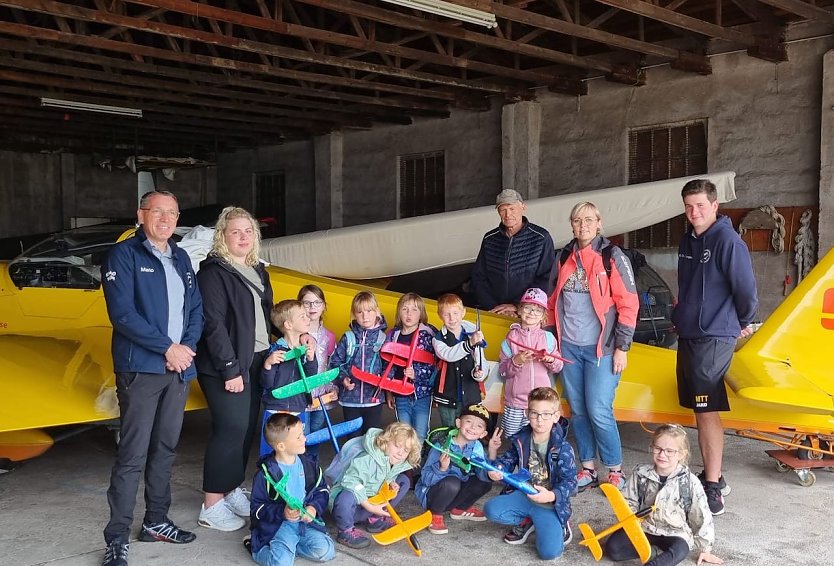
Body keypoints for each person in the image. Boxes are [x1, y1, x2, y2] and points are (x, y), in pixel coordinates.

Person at [100, 190, 203, 566]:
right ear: (140, 214)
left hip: (178, 369)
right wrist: (167, 348)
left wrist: (186, 348)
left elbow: (196, 310)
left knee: (165, 450)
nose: (165, 219)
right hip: (142, 369)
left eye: (172, 213)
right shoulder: (123, 255)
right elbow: (123, 315)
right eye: (157, 211)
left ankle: (156, 521)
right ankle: (116, 537)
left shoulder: (181, 257)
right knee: (132, 454)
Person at [673, 179, 758, 515]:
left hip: (715, 335)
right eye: (689, 206)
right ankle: (714, 476)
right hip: (690, 333)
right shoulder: (687, 239)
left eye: (700, 206)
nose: (694, 212)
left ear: (715, 205)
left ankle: (713, 486)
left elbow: (747, 291)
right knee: (698, 407)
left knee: (707, 409)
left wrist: (741, 322)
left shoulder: (728, 241)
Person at [546, 201, 638, 492]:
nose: (583, 225)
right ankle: (587, 468)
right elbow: (551, 303)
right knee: (578, 410)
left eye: (589, 220)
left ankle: (614, 470)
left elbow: (628, 304)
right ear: (571, 225)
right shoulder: (563, 256)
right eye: (577, 220)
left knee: (598, 409)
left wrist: (622, 347)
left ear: (599, 223)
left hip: (603, 348)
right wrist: (551, 342)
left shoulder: (612, 256)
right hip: (569, 347)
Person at [196, 206, 273, 532]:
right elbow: (213, 325)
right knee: (229, 429)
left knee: (244, 430)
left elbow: (266, 316)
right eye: (235, 231)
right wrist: (230, 370)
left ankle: (230, 487)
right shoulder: (213, 273)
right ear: (223, 236)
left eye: (248, 231)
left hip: (256, 360)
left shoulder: (258, 270)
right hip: (226, 364)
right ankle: (211, 504)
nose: (243, 237)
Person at [603, 424, 723, 566]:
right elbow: (628, 500)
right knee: (613, 548)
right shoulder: (640, 473)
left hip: (675, 533)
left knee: (681, 549)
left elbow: (701, 514)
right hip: (645, 528)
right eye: (658, 449)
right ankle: (654, 551)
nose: (662, 455)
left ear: (681, 454)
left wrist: (705, 548)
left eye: (669, 451)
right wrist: (631, 520)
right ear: (652, 447)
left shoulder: (690, 481)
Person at [483, 387, 576, 560]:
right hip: (524, 494)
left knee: (549, 553)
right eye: (534, 413)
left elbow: (571, 482)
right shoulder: (520, 439)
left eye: (546, 414)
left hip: (550, 504)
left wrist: (552, 495)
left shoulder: (563, 448)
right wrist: (496, 467)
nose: (540, 420)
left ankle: (560, 524)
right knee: (490, 510)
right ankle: (526, 521)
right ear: (527, 413)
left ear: (556, 416)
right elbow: (506, 463)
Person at [249, 413, 336, 566]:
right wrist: (282, 512)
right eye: (298, 437)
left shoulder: (309, 464)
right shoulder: (266, 474)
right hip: (279, 525)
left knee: (327, 551)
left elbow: (322, 490)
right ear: (281, 446)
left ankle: (290, 548)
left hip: (304, 523)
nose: (304, 439)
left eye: (302, 433)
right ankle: (256, 548)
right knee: (281, 563)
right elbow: (257, 509)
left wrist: (313, 507)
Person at [328, 422, 421, 549]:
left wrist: (391, 482)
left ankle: (375, 520)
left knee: (404, 481)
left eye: (406, 450)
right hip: (351, 510)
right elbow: (351, 481)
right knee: (346, 495)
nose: (400, 453)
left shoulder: (395, 459)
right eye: (397, 446)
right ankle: (346, 531)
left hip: (372, 505)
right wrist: (370, 507)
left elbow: (387, 474)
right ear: (385, 441)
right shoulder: (368, 459)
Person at [471, 188, 556, 316]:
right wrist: (494, 307)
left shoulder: (541, 238)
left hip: (528, 313)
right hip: (494, 311)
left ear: (523, 207)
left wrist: (517, 305)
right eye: (502, 210)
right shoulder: (489, 239)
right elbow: (479, 276)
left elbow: (547, 278)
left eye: (512, 209)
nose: (507, 214)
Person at [416, 404, 493, 535]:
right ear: (458, 423)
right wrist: (441, 469)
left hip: (454, 493)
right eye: (468, 421)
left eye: (479, 426)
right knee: (452, 483)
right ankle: (435, 514)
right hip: (433, 494)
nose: (473, 427)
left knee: (485, 481)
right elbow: (425, 478)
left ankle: (459, 509)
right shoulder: (442, 445)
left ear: (483, 434)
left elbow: (481, 471)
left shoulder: (476, 447)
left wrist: (492, 454)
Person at [498, 288, 563, 438]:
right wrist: (516, 361)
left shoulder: (548, 338)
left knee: (539, 438)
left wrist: (551, 360)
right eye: (528, 307)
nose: (532, 312)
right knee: (514, 439)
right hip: (515, 403)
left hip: (541, 404)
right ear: (519, 310)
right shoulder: (510, 338)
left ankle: (536, 462)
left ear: (543, 316)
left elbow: (559, 366)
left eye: (538, 310)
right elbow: (502, 371)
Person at [259, 300, 317, 456]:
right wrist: (268, 365)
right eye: (302, 316)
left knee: (297, 450)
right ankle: (269, 478)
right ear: (288, 325)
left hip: (298, 409)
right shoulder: (274, 350)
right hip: (275, 409)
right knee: (270, 451)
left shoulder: (306, 349)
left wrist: (311, 360)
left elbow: (310, 380)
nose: (308, 318)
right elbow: (266, 383)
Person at [329, 291, 388, 436]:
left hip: (374, 399)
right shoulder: (348, 337)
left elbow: (389, 367)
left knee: (371, 438)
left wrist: (384, 381)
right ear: (354, 314)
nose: (365, 316)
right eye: (360, 312)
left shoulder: (383, 339)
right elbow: (335, 361)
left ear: (377, 312)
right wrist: (343, 379)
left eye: (369, 311)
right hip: (350, 400)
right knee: (352, 440)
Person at [385, 293, 436, 442]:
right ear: (399, 312)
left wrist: (417, 374)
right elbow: (388, 366)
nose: (409, 314)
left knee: (420, 433)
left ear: (421, 314)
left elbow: (435, 365)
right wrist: (388, 391)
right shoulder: (393, 335)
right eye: (405, 309)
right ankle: (404, 464)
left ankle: (416, 463)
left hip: (422, 394)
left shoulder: (428, 335)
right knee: (402, 433)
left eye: (414, 310)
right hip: (400, 393)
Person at [432, 293, 487, 428]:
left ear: (463, 312)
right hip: (447, 396)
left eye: (456, 313)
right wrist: (469, 344)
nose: (452, 318)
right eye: (447, 314)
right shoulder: (438, 339)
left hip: (471, 395)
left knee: (470, 430)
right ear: (440, 315)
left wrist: (479, 373)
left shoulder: (474, 333)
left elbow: (480, 359)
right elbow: (449, 355)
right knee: (449, 429)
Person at [298, 284, 337, 464]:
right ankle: (299, 474)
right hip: (301, 395)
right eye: (307, 303)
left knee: (316, 438)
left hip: (322, 395)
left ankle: (312, 473)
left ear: (323, 306)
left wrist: (333, 388)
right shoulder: (295, 334)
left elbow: (332, 364)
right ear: (299, 306)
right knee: (299, 437)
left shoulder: (329, 336)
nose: (312, 307)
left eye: (317, 302)